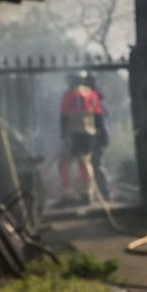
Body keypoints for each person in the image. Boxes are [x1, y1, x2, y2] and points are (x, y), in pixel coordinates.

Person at [58, 72, 104, 203]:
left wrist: (63, 133)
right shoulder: (92, 94)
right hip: (89, 133)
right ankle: (87, 192)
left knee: (64, 163)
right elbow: (98, 115)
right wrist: (97, 131)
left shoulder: (68, 95)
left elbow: (64, 116)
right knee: (85, 162)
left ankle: (68, 193)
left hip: (73, 133)